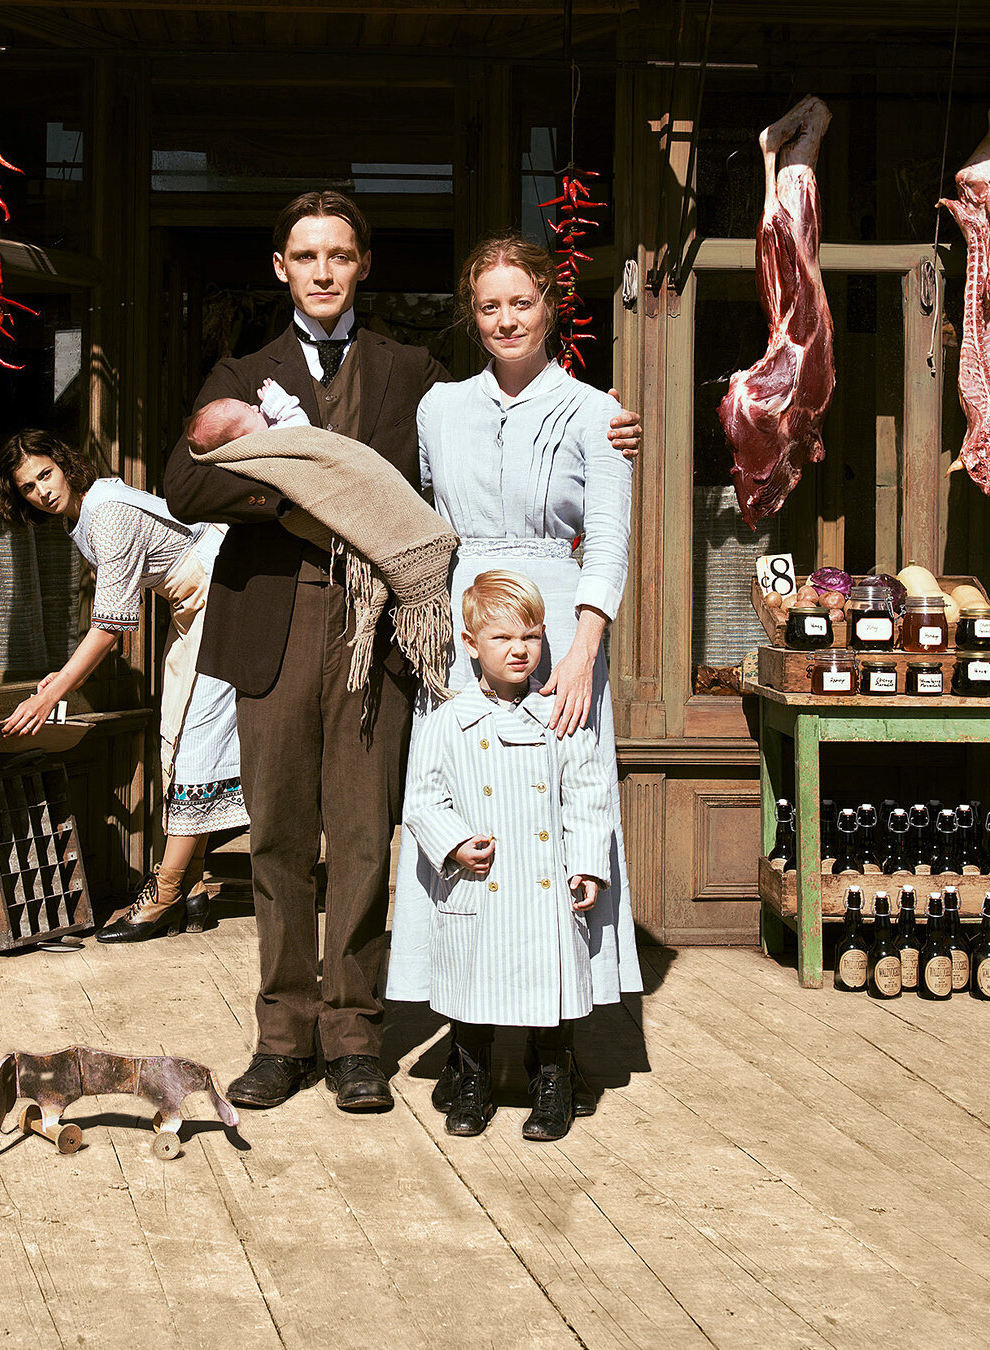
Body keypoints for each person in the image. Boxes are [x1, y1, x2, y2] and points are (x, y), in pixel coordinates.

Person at [163, 190, 641, 1116]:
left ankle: (352, 1039)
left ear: (362, 266)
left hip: (377, 634)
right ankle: (279, 1038)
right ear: (280, 268)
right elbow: (186, 481)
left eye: (339, 255)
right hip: (273, 625)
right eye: (306, 257)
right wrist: (295, 493)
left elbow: (487, 434)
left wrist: (608, 425)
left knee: (363, 840)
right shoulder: (242, 370)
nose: (323, 272)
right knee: (277, 839)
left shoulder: (413, 373)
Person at [387, 232, 642, 1117]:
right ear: (472, 315)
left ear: (549, 307)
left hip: (556, 625)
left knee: (552, 819)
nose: (505, 320)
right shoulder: (439, 408)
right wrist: (431, 633)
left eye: (520, 303)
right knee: (460, 807)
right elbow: (426, 517)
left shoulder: (593, 412)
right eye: (488, 305)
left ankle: (552, 1056)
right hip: (462, 624)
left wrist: (584, 647)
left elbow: (606, 537)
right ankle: (466, 1051)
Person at [0, 430, 250, 940]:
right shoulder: (83, 514)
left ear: (63, 464)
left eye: (46, 474)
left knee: (195, 737)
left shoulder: (105, 513)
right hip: (193, 603)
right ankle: (193, 888)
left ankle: (165, 894)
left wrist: (52, 694)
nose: (42, 491)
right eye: (28, 487)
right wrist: (63, 675)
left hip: (218, 592)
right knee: (180, 735)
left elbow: (110, 626)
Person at [401, 571, 611, 1141]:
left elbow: (588, 795)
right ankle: (473, 1080)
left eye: (531, 637)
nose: (519, 650)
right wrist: (453, 843)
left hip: (547, 882)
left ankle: (552, 1080)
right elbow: (422, 799)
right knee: (475, 983)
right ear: (471, 644)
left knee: (553, 986)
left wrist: (586, 865)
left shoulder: (560, 715)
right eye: (503, 638)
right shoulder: (448, 721)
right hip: (479, 881)